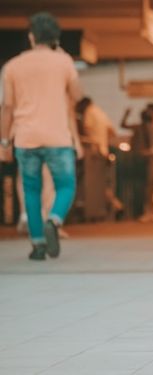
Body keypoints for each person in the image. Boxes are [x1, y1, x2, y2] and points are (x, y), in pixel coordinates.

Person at [0, 12, 82, 260]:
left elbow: (7, 108)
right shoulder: (64, 62)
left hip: (25, 138)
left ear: (31, 37)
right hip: (58, 136)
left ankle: (37, 245)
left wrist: (4, 141)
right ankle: (54, 220)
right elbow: (77, 95)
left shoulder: (12, 66)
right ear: (55, 37)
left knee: (31, 190)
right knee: (66, 185)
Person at [121, 108, 153, 221]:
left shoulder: (149, 128)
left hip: (148, 161)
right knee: (147, 187)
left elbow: (123, 125)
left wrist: (148, 152)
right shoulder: (150, 128)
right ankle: (151, 211)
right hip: (147, 161)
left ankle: (151, 211)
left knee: (148, 188)